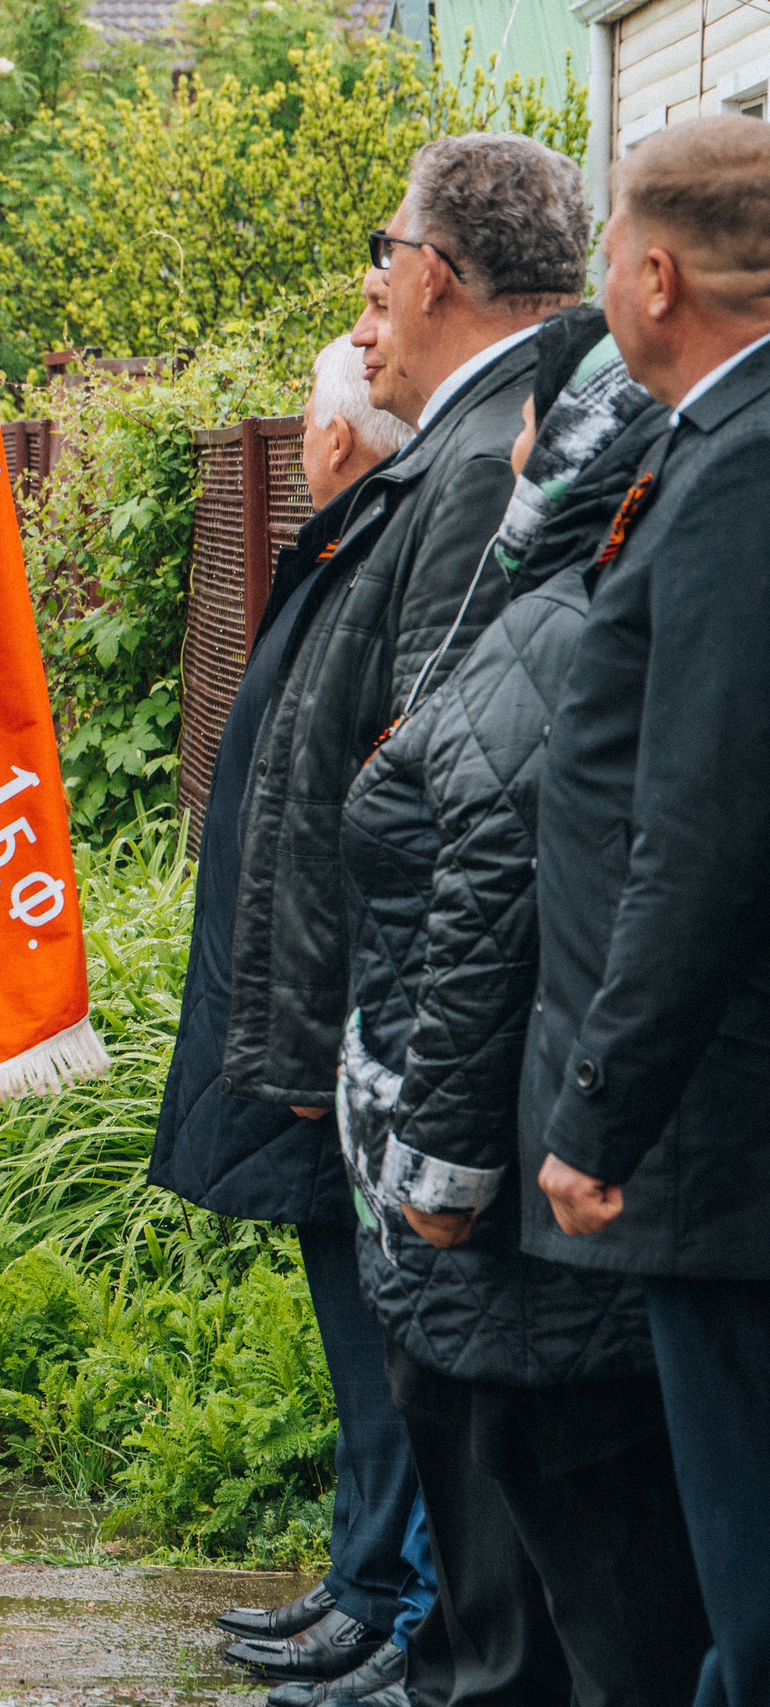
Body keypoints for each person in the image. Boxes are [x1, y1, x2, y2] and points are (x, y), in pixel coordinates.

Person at [168, 131, 591, 1694]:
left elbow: (433, 771)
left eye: (381, 252)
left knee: (440, 1342)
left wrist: (384, 1025)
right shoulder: (455, 440)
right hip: (382, 998)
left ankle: (412, 1620)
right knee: (404, 1333)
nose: (367, 289)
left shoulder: (486, 457)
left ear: (433, 270)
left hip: (411, 1008)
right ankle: (393, 1601)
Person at [336, 304, 707, 1707]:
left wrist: (434, 1169)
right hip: (531, 1181)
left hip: (513, 1205)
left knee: (575, 1604)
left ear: (559, 437)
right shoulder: (568, 599)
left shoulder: (553, 622)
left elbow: (484, 919)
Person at [530, 115, 770, 1707]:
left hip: (723, 1124)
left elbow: (707, 822)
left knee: (752, 1591)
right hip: (716, 1113)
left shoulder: (743, 469)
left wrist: (601, 1108)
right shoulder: (719, 443)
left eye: (609, 250)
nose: (605, 278)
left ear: (659, 274)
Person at [157, 330, 430, 1702]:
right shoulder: (350, 536)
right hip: (308, 996)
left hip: (354, 1004)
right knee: (356, 1325)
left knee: (396, 1332)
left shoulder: (390, 534)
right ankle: (363, 1575)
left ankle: (395, 1597)